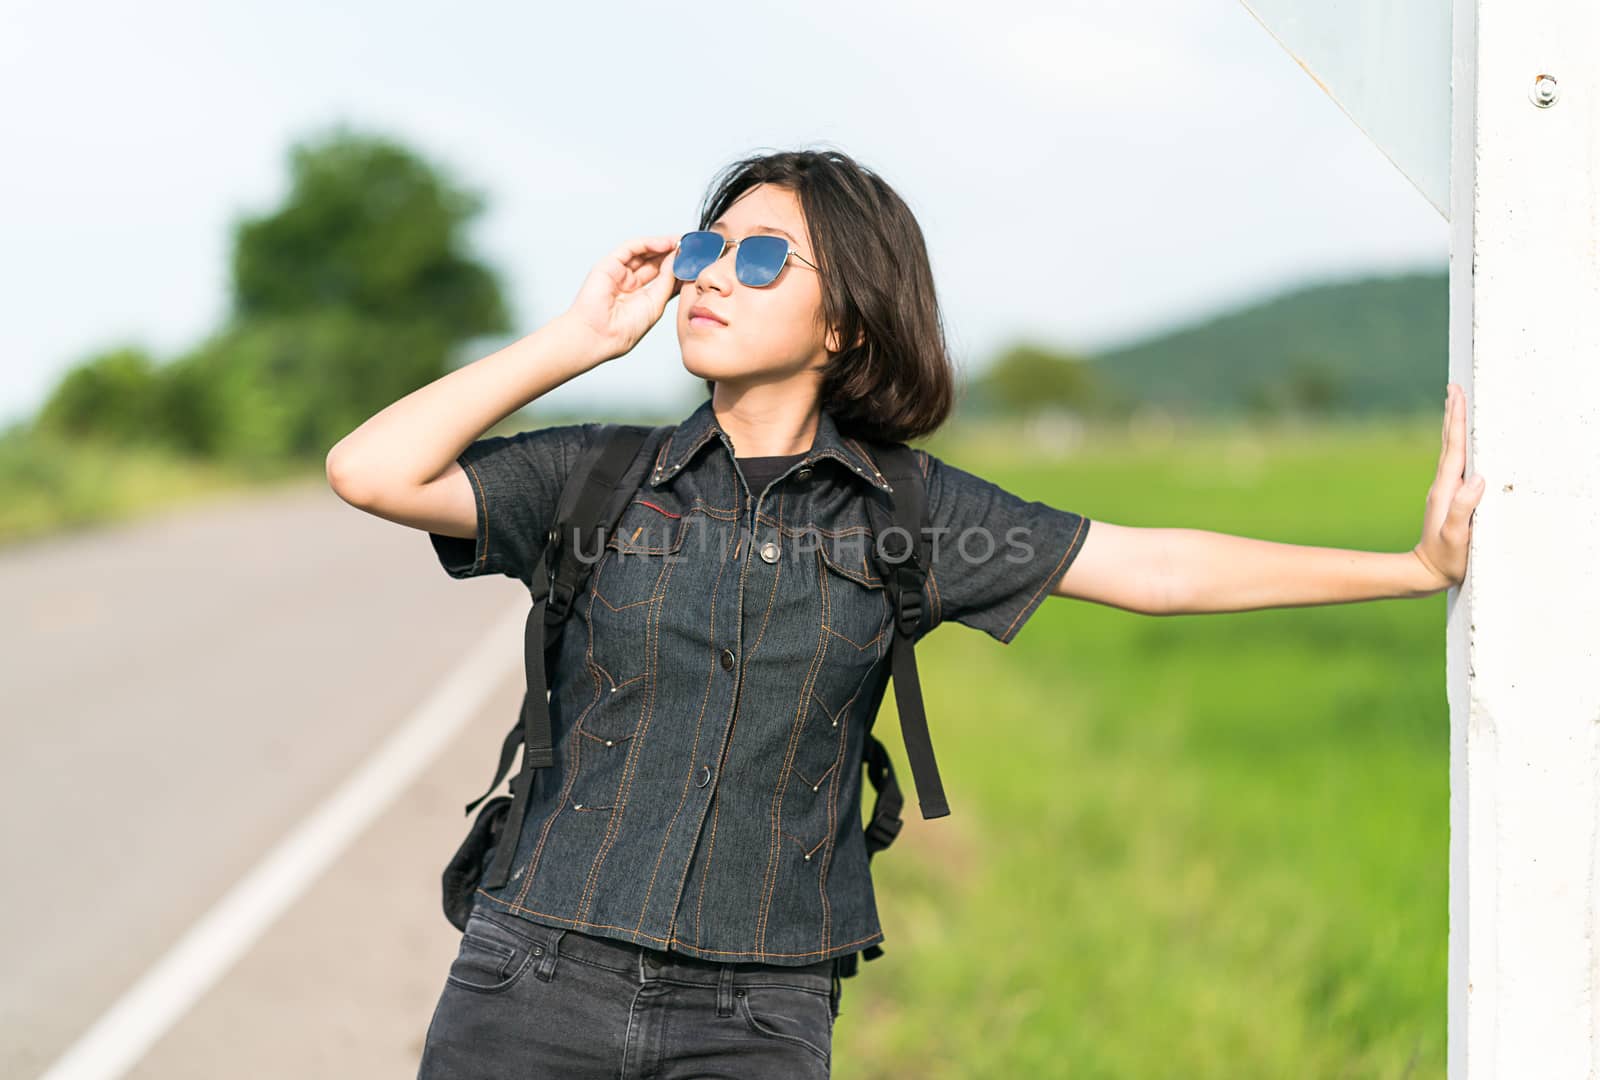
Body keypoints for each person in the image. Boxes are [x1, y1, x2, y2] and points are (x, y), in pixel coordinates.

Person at [325, 147, 1483, 1079]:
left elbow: (1152, 568)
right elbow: (370, 469)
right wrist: (578, 341)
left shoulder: (905, 515)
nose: (715, 274)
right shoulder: (598, 477)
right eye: (706, 246)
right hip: (532, 982)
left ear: (846, 328)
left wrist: (1411, 566)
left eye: (765, 255)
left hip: (759, 1012)